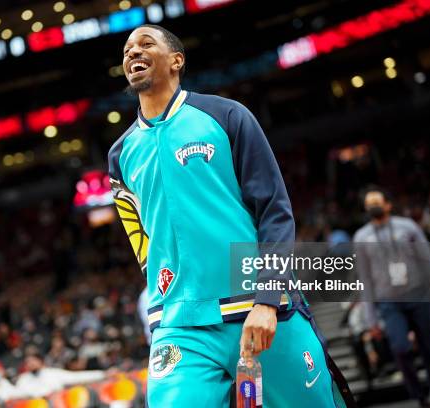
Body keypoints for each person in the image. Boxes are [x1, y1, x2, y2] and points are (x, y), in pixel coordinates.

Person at [108, 24, 353, 407]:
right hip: (181, 327)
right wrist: (162, 306)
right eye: (127, 49)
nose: (132, 52)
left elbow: (274, 211)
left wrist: (269, 297)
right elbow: (140, 241)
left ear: (176, 60)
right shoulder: (120, 155)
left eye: (145, 44)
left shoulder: (225, 116)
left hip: (259, 310)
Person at [354, 187, 430, 408]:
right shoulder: (361, 237)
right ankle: (419, 397)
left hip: (418, 297)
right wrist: (371, 319)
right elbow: (365, 279)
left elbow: (429, 264)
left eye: (376, 202)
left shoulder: (408, 227)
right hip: (389, 303)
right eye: (369, 204)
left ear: (388, 204)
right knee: (400, 348)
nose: (373, 207)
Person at [15, 351, 105, 398]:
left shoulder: (53, 373)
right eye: (27, 362)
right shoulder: (23, 379)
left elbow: (77, 377)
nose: (30, 364)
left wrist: (103, 374)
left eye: (33, 361)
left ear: (41, 361)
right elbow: (18, 394)